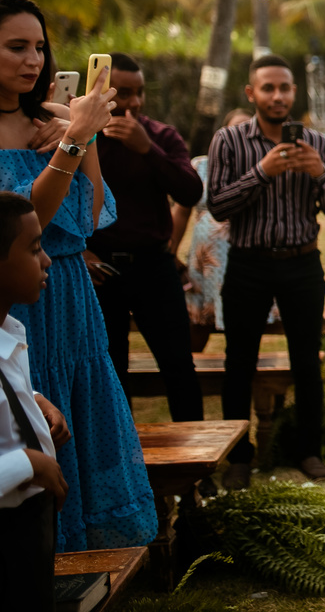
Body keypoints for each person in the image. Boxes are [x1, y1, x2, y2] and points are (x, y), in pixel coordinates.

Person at [0, 0, 158, 551]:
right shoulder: (59, 130)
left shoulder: (56, 118)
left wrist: (77, 133)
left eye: (39, 47)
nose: (33, 61)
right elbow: (21, 224)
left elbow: (87, 219)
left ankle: (92, 559)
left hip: (69, 294)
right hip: (13, 300)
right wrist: (71, 141)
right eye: (16, 47)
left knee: (83, 412)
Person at [207, 54, 325, 488]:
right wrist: (262, 173)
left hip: (302, 264)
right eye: (268, 88)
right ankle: (238, 456)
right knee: (239, 363)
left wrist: (320, 175)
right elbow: (218, 205)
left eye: (285, 87)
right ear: (251, 94)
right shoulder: (228, 142)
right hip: (248, 264)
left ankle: (308, 450)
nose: (278, 95)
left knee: (307, 362)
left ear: (294, 92)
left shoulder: (317, 144)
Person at [83, 52, 203, 420]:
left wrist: (147, 150)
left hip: (154, 265)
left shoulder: (161, 136)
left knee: (179, 365)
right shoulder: (78, 137)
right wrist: (81, 251)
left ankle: (200, 469)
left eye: (139, 93)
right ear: (99, 91)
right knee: (110, 372)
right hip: (99, 270)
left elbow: (190, 192)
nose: (133, 102)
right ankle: (121, 467)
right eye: (123, 93)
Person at [0, 192, 68, 611]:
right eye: (34, 248)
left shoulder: (11, 332)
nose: (46, 261)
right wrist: (33, 462)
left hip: (29, 537)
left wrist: (35, 402)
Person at [172, 108, 281, 352]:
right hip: (204, 266)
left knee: (242, 337)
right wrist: (171, 251)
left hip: (247, 264)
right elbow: (181, 212)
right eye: (235, 130)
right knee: (195, 330)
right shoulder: (201, 166)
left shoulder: (264, 170)